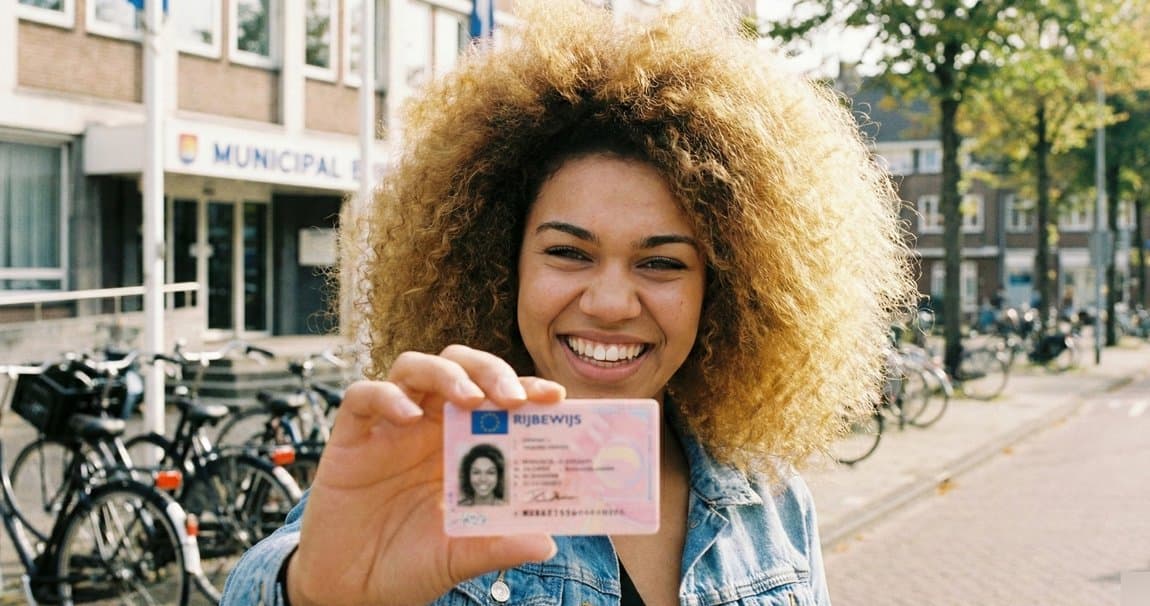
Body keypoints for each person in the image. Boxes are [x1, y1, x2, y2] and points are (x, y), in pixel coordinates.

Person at [220, 0, 915, 604]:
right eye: (568, 252)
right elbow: (292, 575)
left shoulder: (769, 499)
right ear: (500, 260)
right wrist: (310, 592)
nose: (611, 302)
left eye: (662, 262)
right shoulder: (436, 473)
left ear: (724, 289)